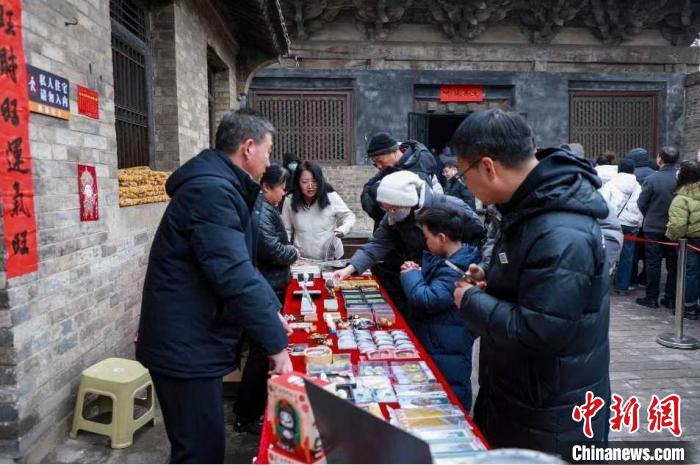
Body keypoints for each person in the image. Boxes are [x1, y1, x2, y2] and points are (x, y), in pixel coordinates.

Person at [136, 110, 292, 463]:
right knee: (200, 452)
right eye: (268, 151)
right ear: (248, 148)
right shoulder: (211, 192)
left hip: (190, 337)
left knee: (201, 447)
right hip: (184, 344)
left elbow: (244, 267)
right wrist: (276, 345)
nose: (269, 161)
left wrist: (272, 314)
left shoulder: (221, 186)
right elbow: (233, 274)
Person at [450, 109, 610, 455]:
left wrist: (471, 300)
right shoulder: (527, 207)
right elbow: (532, 287)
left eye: (464, 175)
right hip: (521, 392)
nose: (466, 186)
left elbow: (541, 331)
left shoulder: (561, 232)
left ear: (488, 167)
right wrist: (490, 278)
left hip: (550, 413)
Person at [333, 170, 483, 320]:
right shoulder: (393, 215)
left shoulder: (450, 207)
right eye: (385, 209)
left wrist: (463, 268)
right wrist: (350, 268)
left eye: (393, 209)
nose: (390, 213)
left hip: (451, 276)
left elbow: (478, 237)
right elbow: (379, 243)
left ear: (408, 202)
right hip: (419, 275)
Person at [234, 164, 298, 434]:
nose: (284, 193)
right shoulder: (260, 211)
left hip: (270, 284)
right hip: (267, 286)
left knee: (262, 353)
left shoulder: (265, 207)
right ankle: (246, 415)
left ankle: (250, 412)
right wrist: (292, 251)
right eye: (282, 188)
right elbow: (271, 248)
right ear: (266, 186)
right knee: (261, 353)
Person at [399, 205, 480, 411]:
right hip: (440, 340)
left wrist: (410, 275)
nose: (425, 242)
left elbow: (428, 298)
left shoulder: (456, 268)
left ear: (442, 238)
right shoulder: (451, 261)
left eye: (427, 237)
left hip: (446, 345)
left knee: (449, 396)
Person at [361, 132, 443, 230]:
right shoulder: (390, 168)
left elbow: (410, 212)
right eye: (375, 163)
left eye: (380, 161)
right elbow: (367, 189)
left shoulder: (419, 171)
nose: (378, 166)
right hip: (387, 231)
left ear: (394, 152)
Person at [281, 160, 355, 260]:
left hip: (331, 257)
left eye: (314, 181)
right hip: (303, 259)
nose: (310, 186)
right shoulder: (290, 199)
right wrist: (288, 250)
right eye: (305, 182)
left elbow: (349, 216)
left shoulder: (330, 196)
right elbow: (286, 229)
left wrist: (342, 230)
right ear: (298, 182)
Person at [636, 146, 680, 309]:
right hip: (674, 227)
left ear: (659, 158)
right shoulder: (681, 179)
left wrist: (650, 214)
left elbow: (642, 203)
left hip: (653, 226)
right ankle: (670, 297)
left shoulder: (652, 179)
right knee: (673, 263)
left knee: (653, 263)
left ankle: (651, 297)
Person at [599, 159, 643, 294]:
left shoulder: (611, 184)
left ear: (619, 169)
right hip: (631, 224)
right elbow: (641, 205)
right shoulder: (638, 186)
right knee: (627, 256)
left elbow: (603, 202)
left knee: (607, 253)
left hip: (614, 223)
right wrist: (638, 222)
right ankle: (622, 287)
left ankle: (602, 284)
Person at [665, 160, 700, 320]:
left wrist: (672, 237)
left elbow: (677, 225)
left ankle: (689, 307)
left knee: (690, 273)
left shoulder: (682, 197)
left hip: (691, 241)